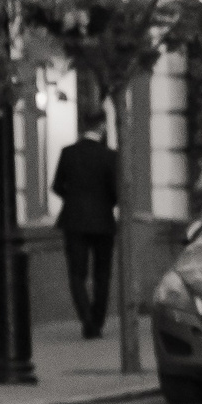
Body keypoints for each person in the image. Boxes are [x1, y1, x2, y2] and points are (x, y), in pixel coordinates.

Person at [52, 117, 118, 339]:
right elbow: (116, 192)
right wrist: (104, 204)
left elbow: (57, 185)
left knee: (77, 273)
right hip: (103, 222)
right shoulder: (110, 156)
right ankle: (97, 321)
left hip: (74, 220)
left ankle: (86, 319)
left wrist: (73, 200)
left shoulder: (68, 153)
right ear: (101, 128)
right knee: (102, 274)